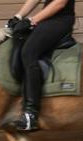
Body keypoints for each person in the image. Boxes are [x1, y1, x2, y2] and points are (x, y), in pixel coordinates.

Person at [6, 0, 75, 131]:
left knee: (28, 52)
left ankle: (31, 113)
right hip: (47, 19)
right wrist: (18, 16)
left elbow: (59, 3)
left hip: (61, 20)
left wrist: (31, 21)